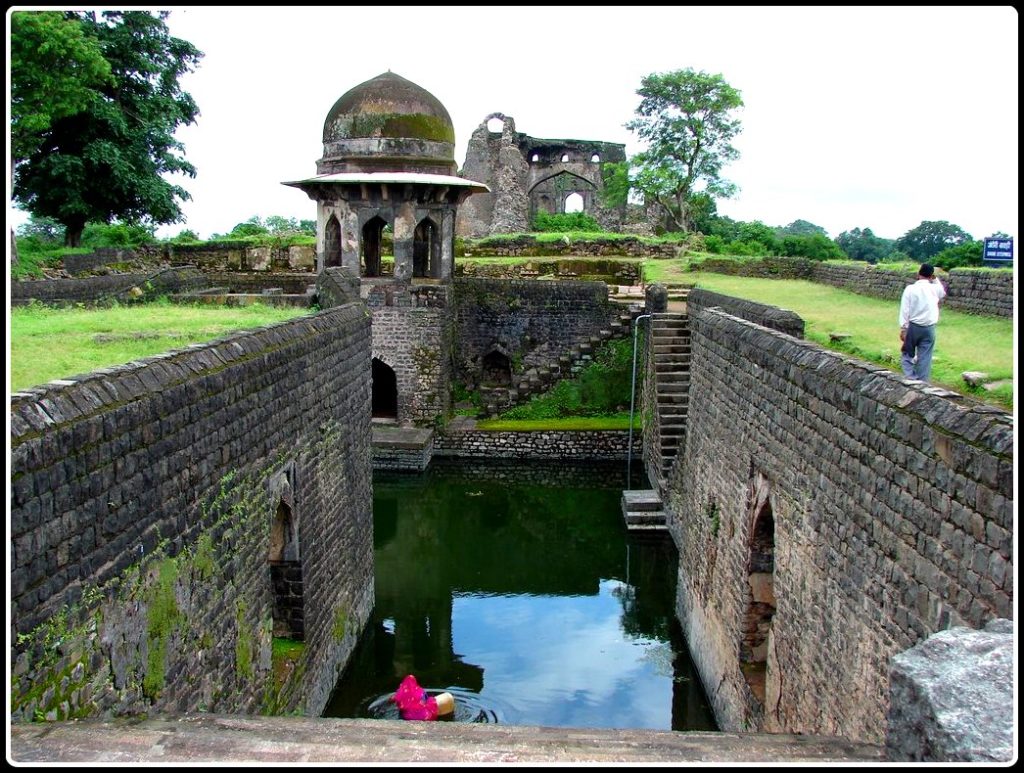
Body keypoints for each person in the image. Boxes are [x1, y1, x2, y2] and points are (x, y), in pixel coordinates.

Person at [898, 263, 946, 381]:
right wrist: (935, 279)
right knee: (925, 356)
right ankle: (923, 382)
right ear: (931, 276)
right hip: (929, 327)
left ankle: (910, 377)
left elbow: (905, 309)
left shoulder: (911, 289)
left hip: (913, 326)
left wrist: (904, 328)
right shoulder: (935, 289)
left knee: (907, 353)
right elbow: (942, 292)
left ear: (918, 274)